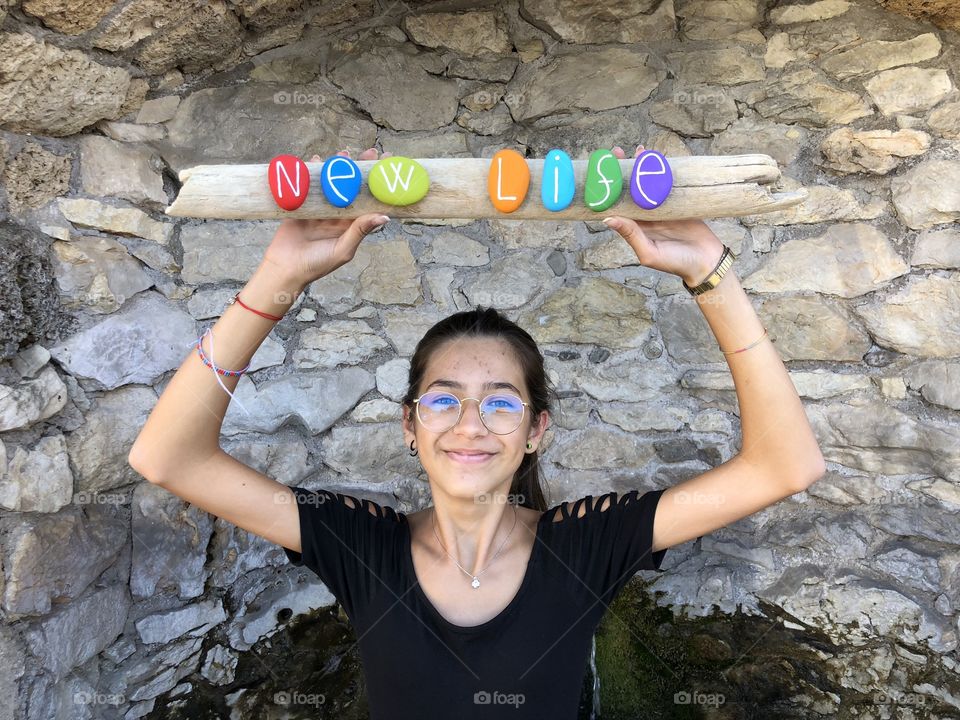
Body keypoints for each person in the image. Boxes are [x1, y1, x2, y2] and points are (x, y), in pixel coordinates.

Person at [128, 145, 826, 719]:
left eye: (501, 404)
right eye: (443, 400)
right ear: (409, 424)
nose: (470, 424)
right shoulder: (361, 547)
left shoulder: (584, 548)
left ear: (536, 431)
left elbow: (785, 466)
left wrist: (710, 274)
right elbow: (168, 457)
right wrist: (277, 280)